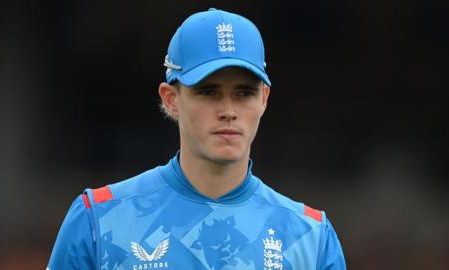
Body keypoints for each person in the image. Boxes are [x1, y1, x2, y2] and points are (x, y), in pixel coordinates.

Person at [47, 8, 346, 270]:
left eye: (244, 93)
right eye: (208, 91)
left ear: (264, 99)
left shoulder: (311, 237)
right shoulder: (98, 220)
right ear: (171, 99)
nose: (228, 111)